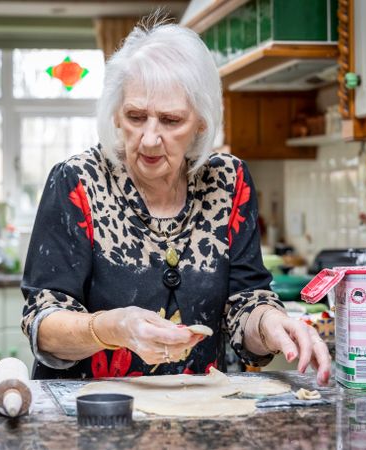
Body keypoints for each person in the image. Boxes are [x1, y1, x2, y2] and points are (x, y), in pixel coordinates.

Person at [21, 17, 331, 385]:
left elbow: (245, 302)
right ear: (117, 114)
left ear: (201, 121)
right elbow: (43, 323)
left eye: (170, 121)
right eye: (136, 116)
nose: (150, 139)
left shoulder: (228, 182)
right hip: (94, 413)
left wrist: (269, 323)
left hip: (197, 408)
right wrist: (112, 328)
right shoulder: (77, 182)